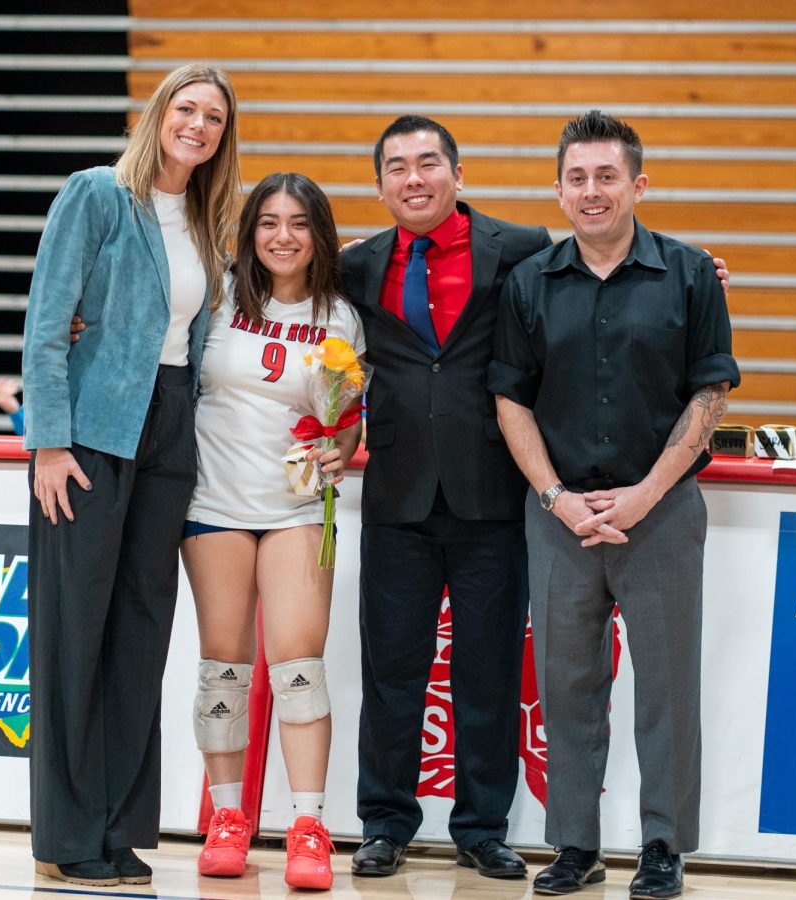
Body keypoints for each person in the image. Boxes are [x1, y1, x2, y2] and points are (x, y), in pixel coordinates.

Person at [490, 110, 740, 899]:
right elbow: (510, 400)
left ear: (638, 183)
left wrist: (642, 496)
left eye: (606, 176)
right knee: (566, 686)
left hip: (659, 513)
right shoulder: (529, 283)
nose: (591, 191)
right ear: (558, 189)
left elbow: (712, 393)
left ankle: (664, 844)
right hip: (560, 518)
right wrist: (558, 498)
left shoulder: (693, 275)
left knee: (667, 685)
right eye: (576, 177)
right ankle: (575, 844)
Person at [21, 63, 240, 888]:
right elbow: (46, 321)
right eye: (185, 108)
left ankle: (118, 827)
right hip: (91, 435)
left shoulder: (212, 221)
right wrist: (49, 441)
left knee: (141, 635)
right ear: (159, 113)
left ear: (224, 133)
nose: (197, 125)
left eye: (213, 116)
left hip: (170, 431)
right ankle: (69, 836)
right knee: (75, 636)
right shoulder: (98, 193)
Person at [338, 115, 552, 881]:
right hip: (396, 496)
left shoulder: (522, 249)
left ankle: (482, 827)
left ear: (458, 175)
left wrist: (697, 275)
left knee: (488, 672)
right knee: (392, 669)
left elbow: (601, 274)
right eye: (397, 168)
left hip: (493, 495)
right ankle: (385, 823)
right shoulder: (356, 266)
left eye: (428, 163)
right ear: (381, 186)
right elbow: (272, 288)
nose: (414, 179)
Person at [181, 173, 364, 890]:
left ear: (318, 233)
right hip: (213, 504)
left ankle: (308, 827)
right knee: (221, 663)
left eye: (297, 223)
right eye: (267, 222)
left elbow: (349, 419)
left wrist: (342, 446)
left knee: (297, 666)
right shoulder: (216, 296)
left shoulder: (340, 316)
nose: (281, 236)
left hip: (295, 510)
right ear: (249, 230)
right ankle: (229, 820)